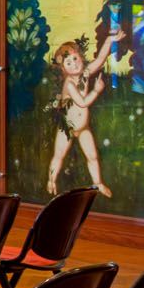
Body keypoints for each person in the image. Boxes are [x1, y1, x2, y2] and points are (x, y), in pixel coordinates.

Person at [47, 33, 118, 197]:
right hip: (67, 128)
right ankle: (51, 180)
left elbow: (100, 60)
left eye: (75, 58)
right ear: (63, 69)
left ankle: (98, 183)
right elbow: (83, 102)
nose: (73, 64)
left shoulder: (85, 73)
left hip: (83, 127)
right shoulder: (69, 84)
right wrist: (96, 90)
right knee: (59, 156)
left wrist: (109, 39)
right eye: (68, 63)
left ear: (81, 57)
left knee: (92, 156)